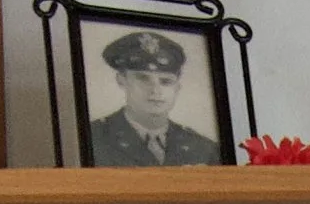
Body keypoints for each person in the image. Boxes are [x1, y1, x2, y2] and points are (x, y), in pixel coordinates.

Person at [88, 27, 219, 166]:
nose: (155, 91)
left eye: (166, 81)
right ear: (121, 80)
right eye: (143, 79)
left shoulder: (204, 148)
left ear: (177, 87)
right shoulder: (93, 138)